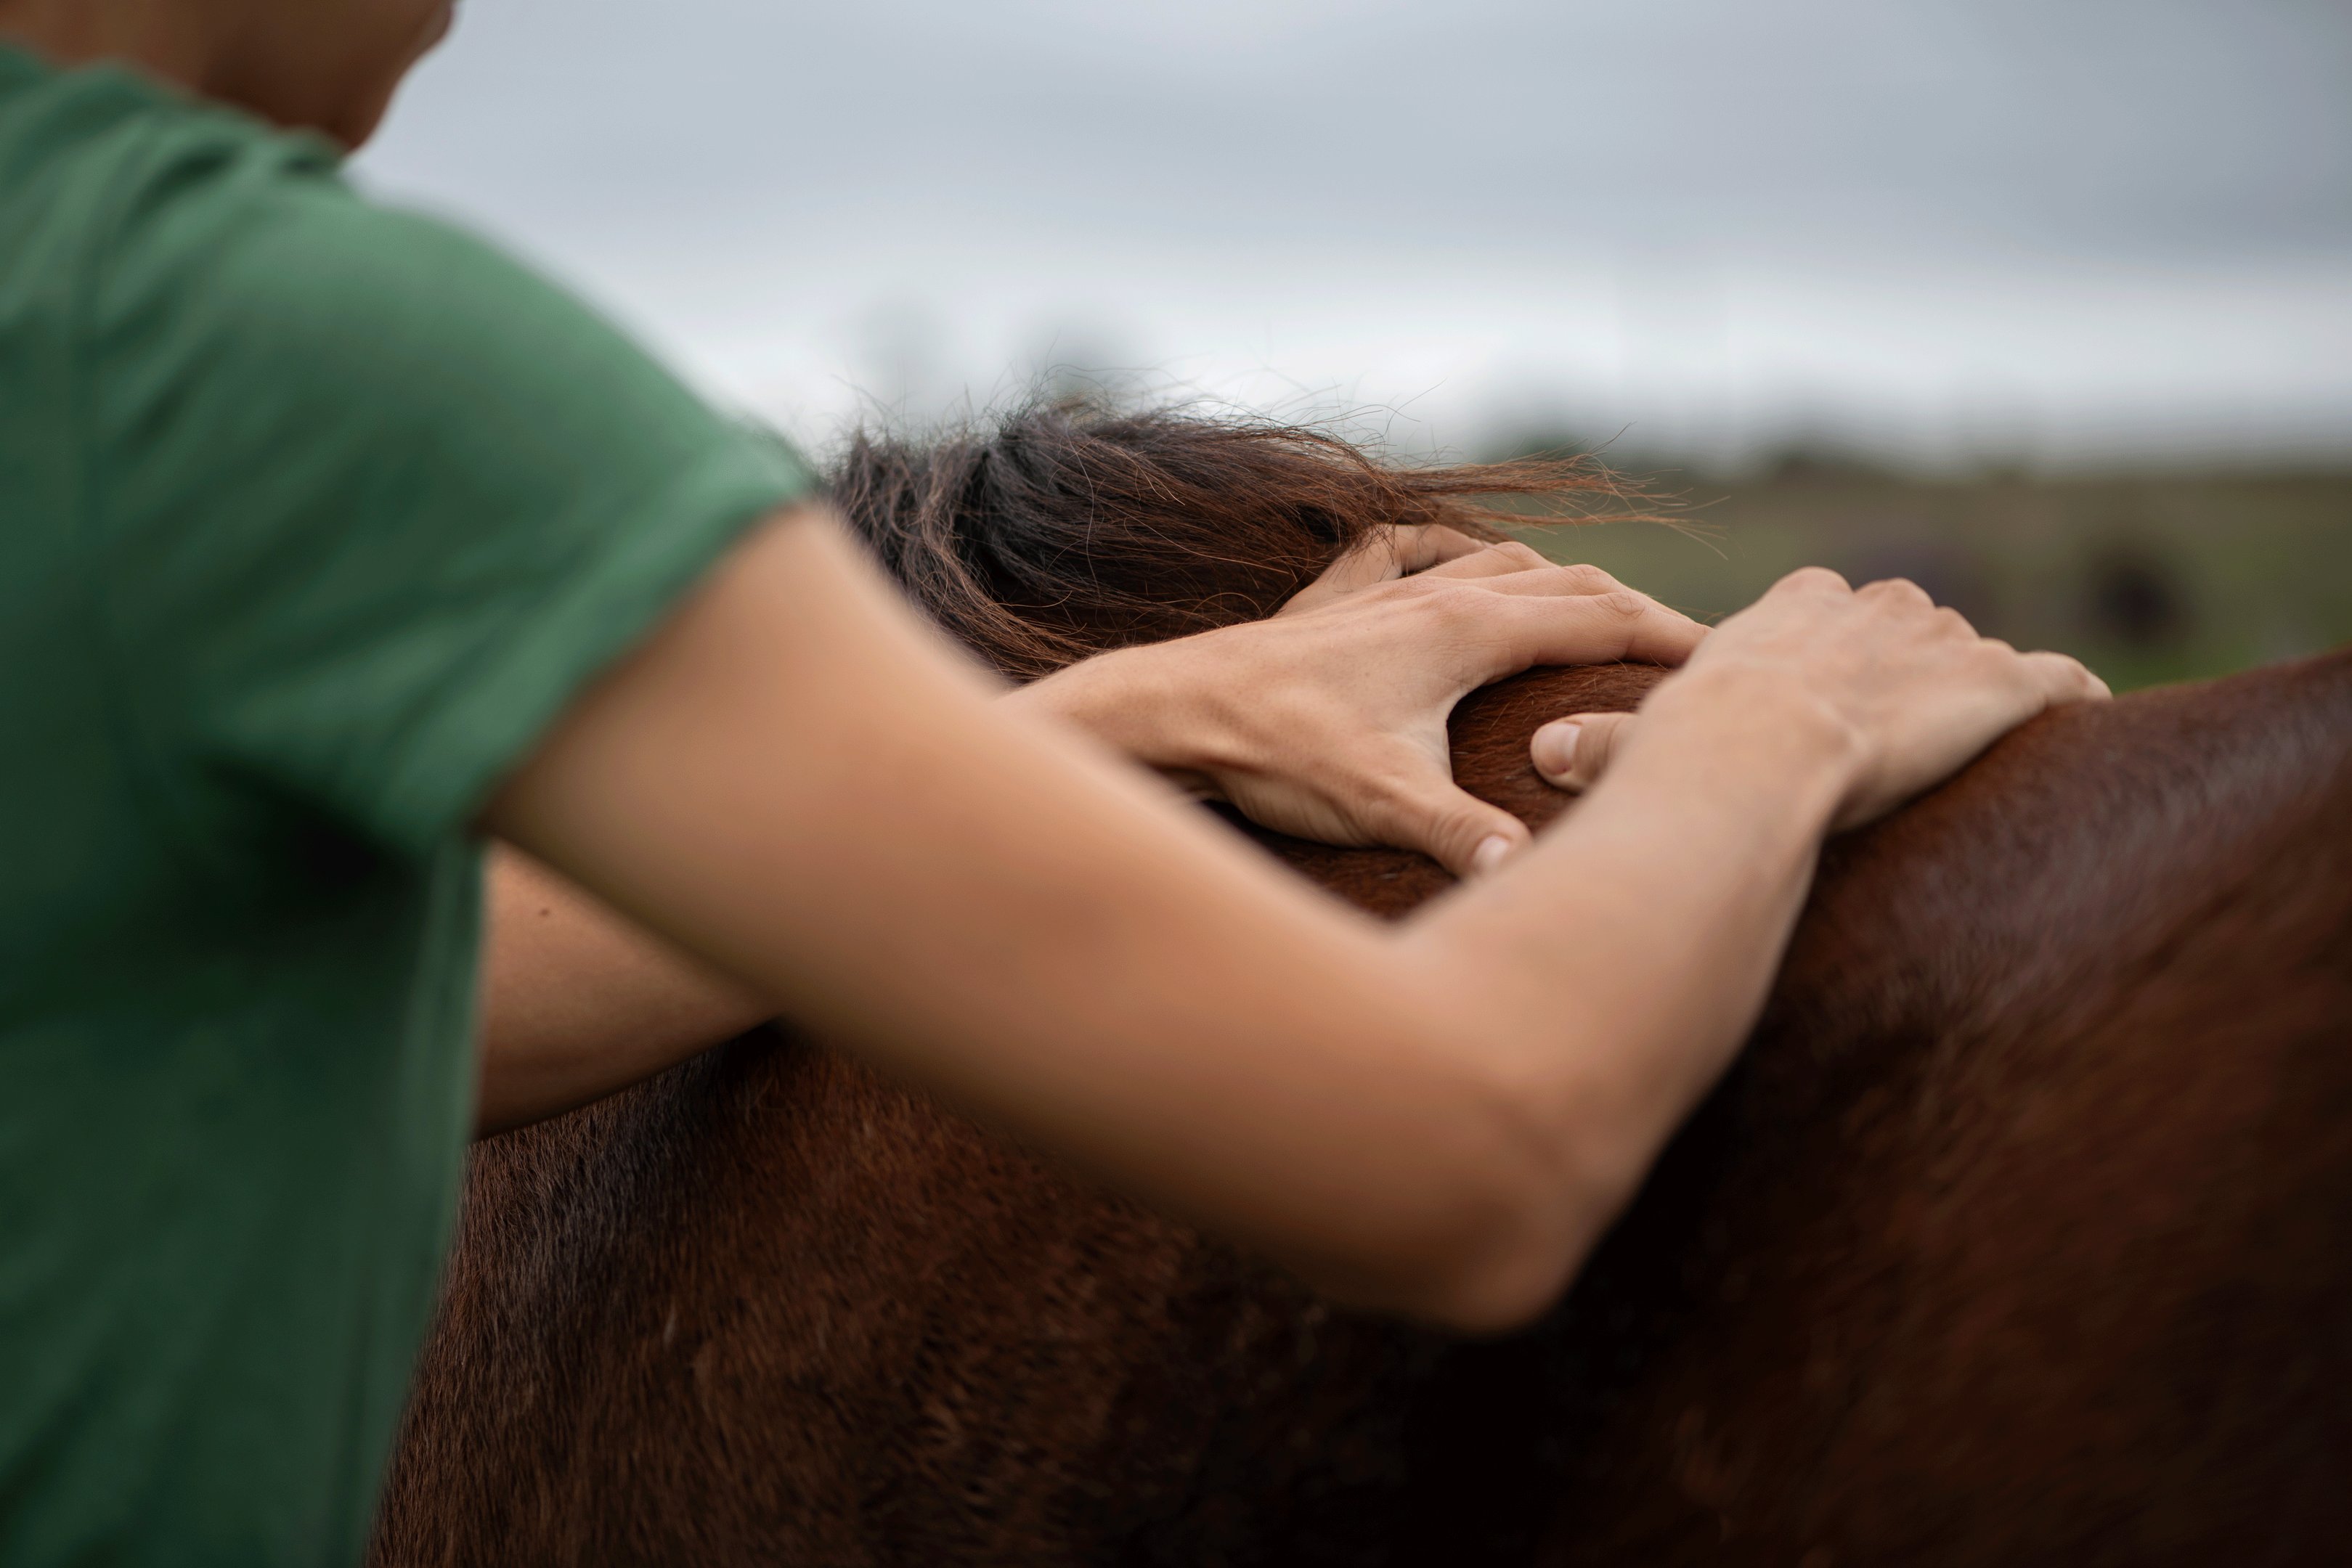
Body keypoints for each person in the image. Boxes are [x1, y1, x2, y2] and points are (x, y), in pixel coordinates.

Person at [0, 3, 2107, 1564]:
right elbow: (1465, 1156)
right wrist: (1769, 728)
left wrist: (1120, 714)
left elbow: (330, 1013)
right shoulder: (242, 346)